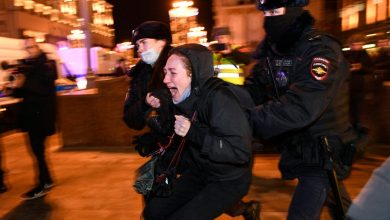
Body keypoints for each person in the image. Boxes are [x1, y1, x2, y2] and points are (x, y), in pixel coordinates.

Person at [245, 0, 357, 219]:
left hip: (324, 152)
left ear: (294, 11)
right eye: (266, 12)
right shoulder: (275, 51)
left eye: (276, 11)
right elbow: (253, 90)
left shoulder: (320, 50)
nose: (270, 18)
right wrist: (217, 98)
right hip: (300, 147)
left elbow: (301, 108)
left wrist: (246, 119)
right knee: (344, 208)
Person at [143, 44, 253, 220]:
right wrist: (157, 114)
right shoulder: (183, 96)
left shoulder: (220, 100)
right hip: (200, 171)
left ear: (193, 73)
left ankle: (245, 208)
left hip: (229, 179)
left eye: (173, 72)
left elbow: (239, 152)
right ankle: (243, 209)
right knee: (153, 212)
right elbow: (172, 131)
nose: (165, 79)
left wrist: (194, 133)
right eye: (165, 72)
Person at [6, 38, 57, 199]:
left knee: (37, 150)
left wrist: (22, 84)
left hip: (40, 117)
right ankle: (47, 180)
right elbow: (23, 92)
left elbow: (42, 89)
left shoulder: (46, 65)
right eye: (27, 48)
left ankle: (41, 184)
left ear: (37, 47)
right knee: (38, 151)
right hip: (32, 116)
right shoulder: (31, 66)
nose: (29, 50)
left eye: (31, 47)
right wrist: (12, 89)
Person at [123, 21, 174, 152]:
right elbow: (130, 119)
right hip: (164, 149)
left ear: (161, 41)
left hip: (190, 148)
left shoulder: (182, 66)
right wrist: (145, 102)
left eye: (144, 42)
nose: (139, 49)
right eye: (137, 44)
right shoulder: (139, 75)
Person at [343, 35, 373, 135]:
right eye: (355, 44)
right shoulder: (346, 54)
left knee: (357, 107)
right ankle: (346, 125)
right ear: (350, 45)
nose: (357, 46)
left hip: (358, 86)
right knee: (345, 107)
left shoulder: (364, 55)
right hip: (346, 85)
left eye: (359, 44)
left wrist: (360, 67)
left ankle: (356, 125)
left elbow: (370, 69)